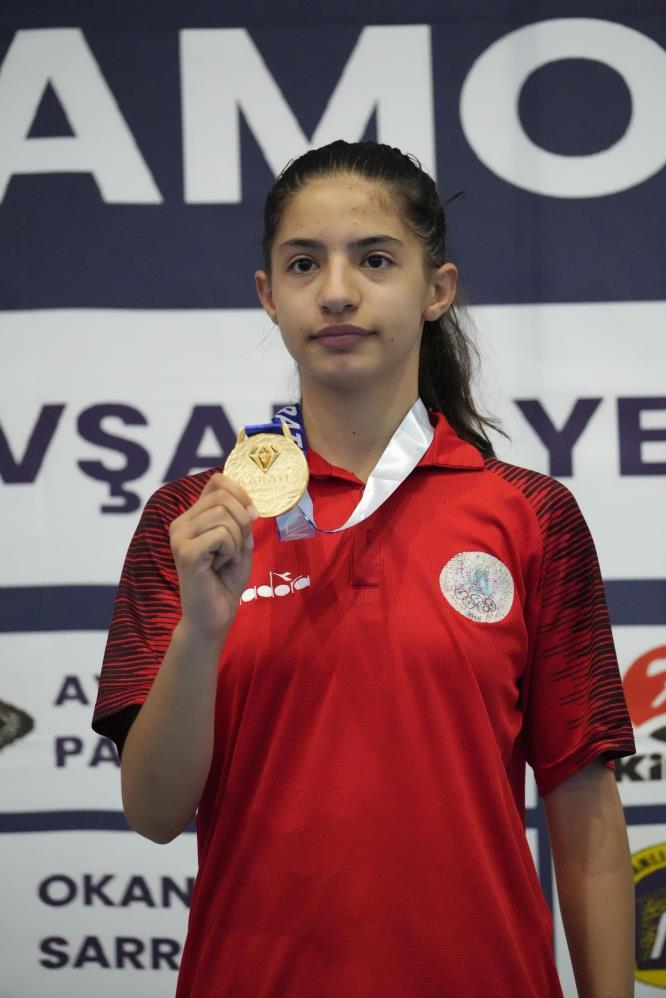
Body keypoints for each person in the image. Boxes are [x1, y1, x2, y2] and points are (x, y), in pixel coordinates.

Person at [92, 140, 636, 997]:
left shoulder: (531, 514)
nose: (337, 291)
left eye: (375, 259)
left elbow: (587, 813)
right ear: (269, 295)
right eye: (304, 263)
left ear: (437, 290)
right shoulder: (193, 522)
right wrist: (202, 631)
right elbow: (154, 813)